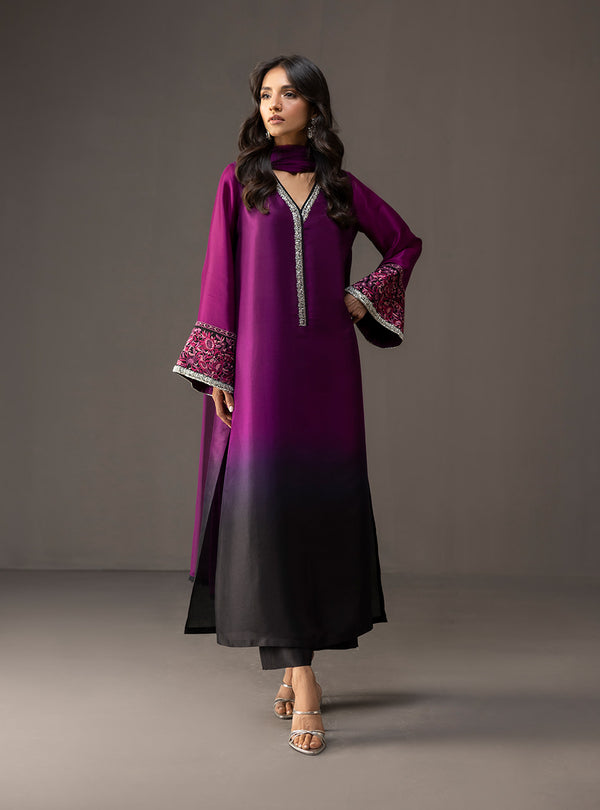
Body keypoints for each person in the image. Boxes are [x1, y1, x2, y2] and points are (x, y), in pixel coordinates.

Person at [172, 54, 422, 755]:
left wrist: (362, 298)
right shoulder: (241, 183)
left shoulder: (340, 187)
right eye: (265, 94)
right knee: (269, 512)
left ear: (314, 106)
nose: (273, 105)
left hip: (329, 376)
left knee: (317, 513)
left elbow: (403, 244)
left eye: (287, 94)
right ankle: (304, 677)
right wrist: (219, 371)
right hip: (262, 373)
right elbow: (219, 278)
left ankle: (292, 662)